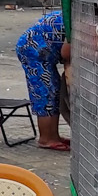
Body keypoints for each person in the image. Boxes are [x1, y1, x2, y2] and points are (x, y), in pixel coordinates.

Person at [15, 8, 69, 150]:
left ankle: (54, 135)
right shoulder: (77, 22)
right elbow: (66, 52)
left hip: (43, 51)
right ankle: (46, 138)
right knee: (44, 94)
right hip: (33, 51)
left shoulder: (79, 15)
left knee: (55, 91)